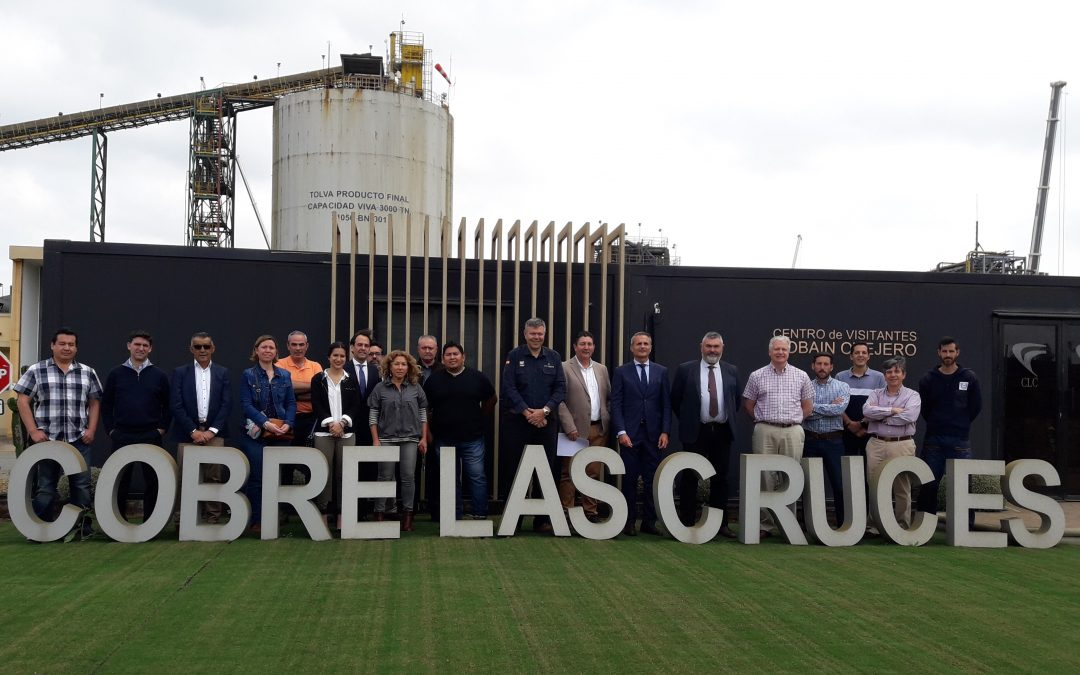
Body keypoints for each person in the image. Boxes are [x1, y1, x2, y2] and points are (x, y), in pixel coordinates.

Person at [14, 327, 102, 529]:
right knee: (45, 487)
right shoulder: (37, 370)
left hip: (78, 439)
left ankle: (81, 529)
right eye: (62, 344)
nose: (67, 348)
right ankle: (38, 528)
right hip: (47, 440)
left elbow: (95, 402)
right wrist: (33, 431)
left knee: (81, 486)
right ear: (52, 345)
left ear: (76, 348)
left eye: (71, 344)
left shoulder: (87, 372)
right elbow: (22, 401)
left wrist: (91, 430)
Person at [742, 335, 814, 538]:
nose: (780, 352)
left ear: (789, 352)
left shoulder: (801, 376)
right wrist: (763, 420)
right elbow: (749, 404)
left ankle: (787, 523)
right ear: (770, 352)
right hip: (765, 429)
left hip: (792, 430)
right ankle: (765, 524)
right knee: (764, 476)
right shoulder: (757, 375)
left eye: (783, 349)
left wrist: (792, 420)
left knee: (791, 477)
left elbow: (807, 406)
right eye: (776, 349)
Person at [500, 317, 567, 534]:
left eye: (540, 334)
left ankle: (542, 521)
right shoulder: (514, 356)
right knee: (514, 469)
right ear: (525, 334)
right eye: (532, 334)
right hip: (518, 422)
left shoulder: (554, 357)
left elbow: (560, 389)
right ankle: (514, 520)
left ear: (544, 334)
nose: (536, 337)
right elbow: (509, 388)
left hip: (546, 422)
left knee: (546, 471)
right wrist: (527, 412)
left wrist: (544, 411)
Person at [670, 331, 738, 538]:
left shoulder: (731, 370)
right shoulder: (685, 370)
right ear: (701, 346)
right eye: (709, 346)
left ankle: (721, 524)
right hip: (695, 431)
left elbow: (735, 402)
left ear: (722, 348)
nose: (712, 350)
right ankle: (687, 520)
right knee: (690, 476)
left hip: (721, 431)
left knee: (721, 479)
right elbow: (676, 400)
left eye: (716, 346)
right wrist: (690, 419)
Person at [101, 330, 171, 521]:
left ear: (150, 349)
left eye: (145, 346)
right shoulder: (116, 374)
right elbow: (106, 405)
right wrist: (111, 430)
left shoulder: (159, 375)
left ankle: (150, 522)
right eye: (137, 344)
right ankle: (118, 521)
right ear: (129, 345)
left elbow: (169, 405)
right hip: (122, 435)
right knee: (121, 480)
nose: (141, 348)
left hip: (150, 435)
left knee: (153, 480)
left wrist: (161, 428)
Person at [424, 340, 497, 520]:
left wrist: (480, 418)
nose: (452, 357)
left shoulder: (477, 377)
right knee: (449, 480)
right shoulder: (434, 380)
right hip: (443, 439)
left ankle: (480, 514)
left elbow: (492, 398)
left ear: (463, 357)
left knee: (477, 477)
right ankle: (453, 516)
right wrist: (429, 432)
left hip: (473, 438)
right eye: (448, 355)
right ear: (443, 358)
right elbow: (425, 408)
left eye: (456, 354)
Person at [611, 331, 671, 536]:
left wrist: (665, 431)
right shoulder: (621, 372)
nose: (643, 347)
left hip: (654, 436)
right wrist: (621, 431)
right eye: (639, 344)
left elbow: (666, 404)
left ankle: (649, 522)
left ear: (651, 347)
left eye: (646, 344)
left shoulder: (661, 372)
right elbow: (616, 404)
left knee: (651, 479)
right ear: (632, 348)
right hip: (629, 435)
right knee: (628, 479)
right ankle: (628, 522)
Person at [916, 337, 982, 519]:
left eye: (951, 351)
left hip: (960, 440)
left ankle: (966, 526)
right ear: (938, 353)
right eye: (944, 351)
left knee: (963, 485)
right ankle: (924, 526)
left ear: (957, 353)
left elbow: (976, 407)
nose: (948, 355)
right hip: (934, 440)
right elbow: (925, 409)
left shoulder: (969, 377)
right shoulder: (928, 379)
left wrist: (960, 423)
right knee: (928, 483)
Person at [170, 331, 231, 524]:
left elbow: (226, 404)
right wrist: (193, 431)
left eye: (206, 346)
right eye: (198, 346)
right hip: (188, 433)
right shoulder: (180, 373)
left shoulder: (222, 372)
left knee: (214, 477)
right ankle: (185, 519)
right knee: (186, 477)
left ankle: (212, 517)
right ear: (191, 349)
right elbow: (176, 404)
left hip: (215, 433)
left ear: (213, 348)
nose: (202, 350)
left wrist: (212, 431)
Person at [239, 335, 296, 533]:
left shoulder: (285, 375)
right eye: (263, 347)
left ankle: (274, 518)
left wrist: (288, 423)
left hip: (281, 432)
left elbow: (290, 403)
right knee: (257, 477)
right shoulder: (248, 375)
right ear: (256, 351)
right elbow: (246, 405)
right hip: (256, 433)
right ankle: (257, 520)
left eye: (271, 347)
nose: (267, 350)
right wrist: (265, 423)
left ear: (276, 351)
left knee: (277, 477)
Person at [368, 350, 429, 532]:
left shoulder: (416, 387)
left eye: (403, 364)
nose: (400, 367)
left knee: (408, 478)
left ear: (408, 367)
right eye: (397, 364)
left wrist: (424, 437)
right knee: (384, 477)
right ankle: (380, 513)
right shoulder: (380, 388)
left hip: (410, 439)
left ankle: (407, 516)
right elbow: (373, 415)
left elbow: (423, 414)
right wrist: (375, 440)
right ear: (389, 367)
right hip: (386, 439)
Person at [556, 331, 611, 524]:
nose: (586, 347)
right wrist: (569, 426)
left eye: (589, 344)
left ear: (594, 347)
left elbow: (608, 398)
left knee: (593, 472)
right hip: (573, 431)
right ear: (575, 347)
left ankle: (590, 512)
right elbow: (559, 400)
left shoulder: (602, 369)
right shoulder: (564, 367)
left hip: (598, 429)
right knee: (569, 473)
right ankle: (566, 512)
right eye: (582, 344)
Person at [863, 356, 921, 529]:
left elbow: (910, 416)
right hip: (876, 444)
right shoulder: (875, 393)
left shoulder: (912, 395)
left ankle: (902, 525)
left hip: (901, 444)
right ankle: (874, 525)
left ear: (903, 374)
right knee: (875, 485)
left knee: (902, 486)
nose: (893, 375)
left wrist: (882, 418)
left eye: (897, 371)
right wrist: (892, 410)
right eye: (889, 372)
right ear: (884, 375)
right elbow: (867, 411)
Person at [310, 342, 363, 529]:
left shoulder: (351, 380)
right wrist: (331, 423)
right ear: (328, 357)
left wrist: (342, 423)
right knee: (324, 474)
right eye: (335, 356)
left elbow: (356, 405)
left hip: (347, 434)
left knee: (345, 475)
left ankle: (342, 515)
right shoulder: (318, 379)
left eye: (342, 356)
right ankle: (323, 514)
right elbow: (316, 404)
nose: (339, 359)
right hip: (324, 433)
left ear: (346, 358)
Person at [801, 353, 851, 527]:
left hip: (834, 442)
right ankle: (809, 525)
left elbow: (840, 409)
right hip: (810, 441)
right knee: (808, 486)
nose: (822, 367)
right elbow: (803, 413)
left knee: (839, 484)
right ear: (812, 366)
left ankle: (843, 523)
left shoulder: (842, 386)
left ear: (832, 367)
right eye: (819, 364)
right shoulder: (804, 385)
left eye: (826, 364)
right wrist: (828, 407)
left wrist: (812, 407)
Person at [348, 329, 381, 519]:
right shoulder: (343, 369)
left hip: (371, 429)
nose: (363, 348)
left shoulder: (378, 372)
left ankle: (366, 513)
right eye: (359, 345)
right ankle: (350, 513)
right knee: (350, 471)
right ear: (352, 348)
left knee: (369, 469)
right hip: (348, 428)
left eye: (366, 345)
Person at [835, 341, 885, 460]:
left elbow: (881, 405)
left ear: (868, 356)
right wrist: (849, 424)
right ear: (851, 356)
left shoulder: (879, 377)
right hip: (846, 432)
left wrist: (864, 425)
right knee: (847, 471)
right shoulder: (840, 377)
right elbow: (837, 405)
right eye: (857, 352)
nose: (860, 355)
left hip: (870, 432)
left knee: (869, 472)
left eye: (864, 352)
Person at [275, 330, 323, 444]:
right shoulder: (279, 364)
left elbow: (320, 392)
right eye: (294, 344)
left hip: (311, 420)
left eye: (301, 344)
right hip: (285, 420)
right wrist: (312, 385)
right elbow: (281, 390)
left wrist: (293, 391)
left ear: (307, 346)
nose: (298, 348)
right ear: (288, 346)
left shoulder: (315, 366)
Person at [415, 334, 443, 519]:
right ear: (418, 349)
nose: (427, 351)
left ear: (436, 350)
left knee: (437, 469)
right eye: (424, 348)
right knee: (411, 469)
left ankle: (437, 510)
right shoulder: (410, 368)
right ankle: (411, 509)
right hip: (411, 425)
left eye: (430, 348)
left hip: (439, 426)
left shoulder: (443, 370)